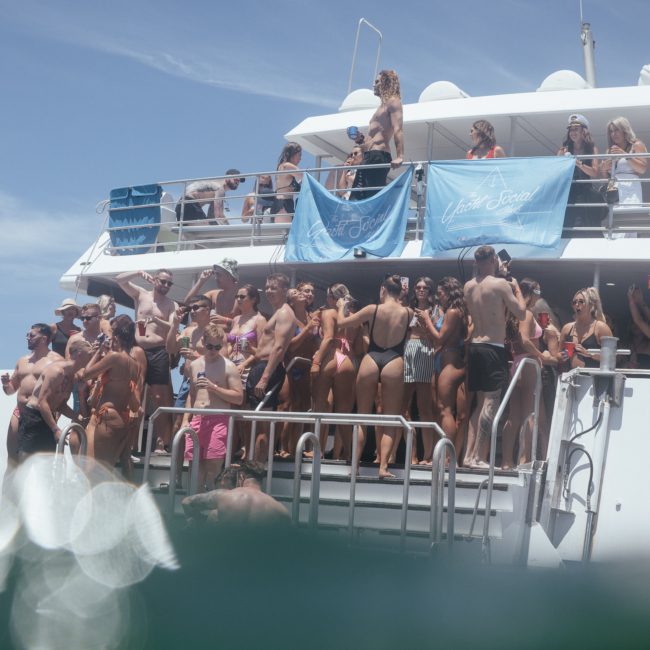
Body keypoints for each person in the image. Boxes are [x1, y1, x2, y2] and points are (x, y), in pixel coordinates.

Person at [336, 275, 413, 478]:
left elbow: (341, 322)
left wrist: (340, 306)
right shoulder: (408, 312)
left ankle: (355, 466)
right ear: (400, 293)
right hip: (394, 359)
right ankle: (383, 467)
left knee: (362, 417)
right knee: (390, 419)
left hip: (371, 358)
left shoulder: (373, 309)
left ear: (383, 290)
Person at [463, 246, 526, 469]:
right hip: (493, 347)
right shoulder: (500, 285)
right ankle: (478, 456)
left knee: (479, 405)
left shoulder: (468, 287)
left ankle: (469, 456)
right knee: (491, 401)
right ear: (492, 260)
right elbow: (521, 313)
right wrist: (516, 288)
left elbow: (484, 294)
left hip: (475, 347)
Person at [116, 269, 177, 453]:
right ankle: (130, 443)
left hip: (158, 351)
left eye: (169, 283)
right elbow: (119, 280)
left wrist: (157, 321)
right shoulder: (141, 294)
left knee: (159, 398)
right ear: (155, 280)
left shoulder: (171, 304)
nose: (166, 286)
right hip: (139, 349)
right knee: (135, 394)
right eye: (163, 281)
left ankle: (161, 443)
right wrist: (138, 273)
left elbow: (174, 325)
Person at [182, 324, 244, 491]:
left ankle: (212, 510)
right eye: (209, 346)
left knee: (213, 469)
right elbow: (192, 395)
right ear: (203, 342)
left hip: (218, 419)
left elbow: (238, 398)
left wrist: (214, 388)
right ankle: (194, 509)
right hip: (197, 419)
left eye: (217, 347)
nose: (213, 350)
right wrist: (185, 419)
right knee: (195, 468)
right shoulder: (194, 365)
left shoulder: (229, 366)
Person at [417, 277, 469, 460]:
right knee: (441, 409)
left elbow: (440, 337)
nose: (439, 298)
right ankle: (444, 454)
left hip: (450, 359)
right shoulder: (454, 311)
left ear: (449, 292)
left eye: (440, 294)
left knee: (445, 409)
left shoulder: (454, 312)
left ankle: (447, 456)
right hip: (443, 358)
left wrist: (426, 320)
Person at [16, 338, 92, 461]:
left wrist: (78, 417)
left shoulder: (72, 376)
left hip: (48, 417)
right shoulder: (57, 371)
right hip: (33, 417)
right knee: (26, 461)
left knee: (47, 463)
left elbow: (60, 405)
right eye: (89, 355)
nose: (91, 359)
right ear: (79, 354)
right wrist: (55, 429)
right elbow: (42, 402)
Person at [81, 317, 141, 470]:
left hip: (106, 416)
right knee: (99, 470)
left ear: (117, 335)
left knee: (95, 472)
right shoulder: (135, 364)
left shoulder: (114, 357)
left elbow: (86, 373)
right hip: (117, 417)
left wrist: (99, 352)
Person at [247, 273, 295, 460]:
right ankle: (253, 465)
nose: (269, 291)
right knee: (256, 423)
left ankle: (258, 470)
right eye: (267, 287)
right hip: (261, 366)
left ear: (285, 290)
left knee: (263, 425)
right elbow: (266, 348)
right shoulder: (277, 312)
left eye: (274, 288)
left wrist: (265, 377)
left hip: (268, 369)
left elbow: (279, 347)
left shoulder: (284, 313)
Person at [311, 283, 361, 461]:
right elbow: (358, 344)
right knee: (343, 412)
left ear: (332, 298)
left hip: (331, 357)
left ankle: (317, 450)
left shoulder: (329, 313)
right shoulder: (353, 316)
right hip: (347, 360)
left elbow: (328, 338)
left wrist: (316, 362)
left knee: (320, 407)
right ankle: (349, 453)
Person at [2, 324, 64, 466]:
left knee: (40, 461)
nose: (27, 338)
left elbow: (62, 391)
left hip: (40, 414)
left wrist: (57, 412)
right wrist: (6, 384)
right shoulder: (22, 361)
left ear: (43, 339)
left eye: (31, 335)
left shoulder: (56, 360)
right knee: (13, 459)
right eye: (27, 335)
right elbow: (11, 390)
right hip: (20, 412)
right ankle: (12, 488)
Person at [500, 278, 546, 470]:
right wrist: (539, 355)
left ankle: (506, 461)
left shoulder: (512, 313)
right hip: (527, 364)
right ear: (532, 293)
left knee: (514, 416)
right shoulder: (525, 314)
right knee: (529, 415)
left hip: (517, 364)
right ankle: (524, 459)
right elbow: (525, 340)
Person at [350, 69, 404, 200]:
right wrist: (360, 140)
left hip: (378, 156)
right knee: (357, 197)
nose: (374, 84)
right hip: (369, 156)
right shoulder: (381, 107)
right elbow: (372, 140)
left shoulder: (393, 102)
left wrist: (400, 156)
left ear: (385, 82)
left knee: (371, 197)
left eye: (377, 81)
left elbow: (398, 129)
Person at [181, 461, 289, 525]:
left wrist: (200, 523)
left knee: (214, 516)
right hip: (256, 560)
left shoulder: (224, 495)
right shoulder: (280, 510)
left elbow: (187, 502)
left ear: (241, 477)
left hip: (224, 556)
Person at [402, 277, 437, 464]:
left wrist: (425, 325)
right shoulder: (409, 309)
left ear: (430, 291)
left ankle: (428, 454)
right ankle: (412, 454)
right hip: (409, 349)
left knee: (424, 407)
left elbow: (435, 334)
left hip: (424, 349)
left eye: (425, 287)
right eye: (418, 287)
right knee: (404, 406)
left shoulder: (435, 310)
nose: (421, 290)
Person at [557, 113, 603, 234]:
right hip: (569, 192)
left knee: (587, 226)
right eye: (571, 130)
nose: (573, 133)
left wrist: (579, 164)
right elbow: (556, 169)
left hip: (585, 193)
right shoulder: (564, 149)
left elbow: (594, 173)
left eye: (576, 129)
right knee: (568, 227)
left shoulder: (592, 148)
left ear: (584, 131)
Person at [560, 287, 612, 369]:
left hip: (593, 378)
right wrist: (563, 355)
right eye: (574, 302)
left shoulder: (601, 328)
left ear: (591, 305)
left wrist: (589, 354)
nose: (577, 305)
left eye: (581, 302)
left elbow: (610, 357)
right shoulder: (567, 328)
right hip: (570, 378)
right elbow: (558, 354)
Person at [602, 117, 648, 207]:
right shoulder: (609, 150)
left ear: (625, 130)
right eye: (611, 131)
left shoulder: (636, 145)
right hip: (613, 188)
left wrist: (625, 155)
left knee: (629, 218)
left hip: (630, 188)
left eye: (616, 130)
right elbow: (607, 177)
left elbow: (642, 169)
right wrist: (604, 169)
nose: (613, 134)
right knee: (614, 219)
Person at [175, 169, 245, 225]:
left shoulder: (213, 186)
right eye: (236, 179)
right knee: (207, 234)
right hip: (190, 204)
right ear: (227, 178)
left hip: (180, 206)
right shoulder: (219, 188)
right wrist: (230, 230)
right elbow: (219, 216)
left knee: (202, 234)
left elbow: (212, 216)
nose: (238, 182)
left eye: (239, 180)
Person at [184, 258, 239, 324]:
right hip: (211, 333)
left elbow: (248, 322)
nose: (215, 278)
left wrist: (226, 320)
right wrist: (201, 281)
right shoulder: (213, 295)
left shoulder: (241, 298)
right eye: (215, 274)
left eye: (218, 274)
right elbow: (188, 302)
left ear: (230, 276)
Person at [272, 143, 302, 223]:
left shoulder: (281, 166)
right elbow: (303, 176)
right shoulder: (288, 166)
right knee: (285, 233)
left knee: (285, 233)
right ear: (292, 154)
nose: (300, 158)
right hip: (283, 205)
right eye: (299, 155)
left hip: (281, 203)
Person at [627, 284, 650, 369]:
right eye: (632, 323)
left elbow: (638, 321)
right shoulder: (626, 343)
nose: (637, 326)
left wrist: (633, 300)